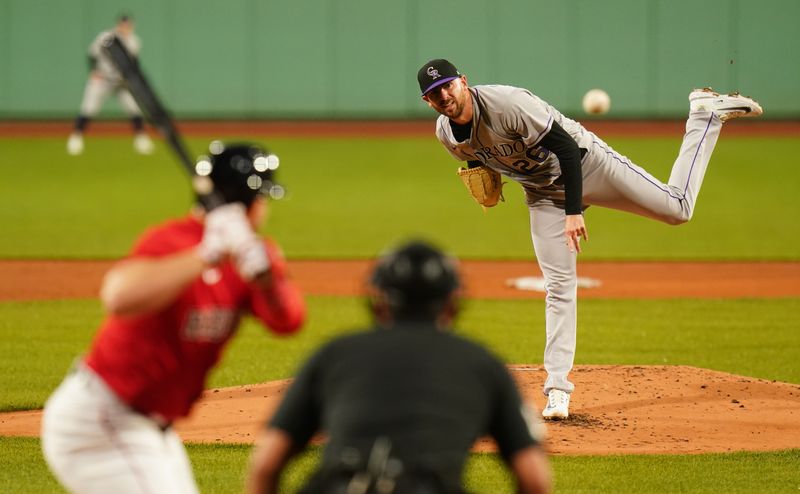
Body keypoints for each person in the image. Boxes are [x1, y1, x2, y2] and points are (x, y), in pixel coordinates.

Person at [416, 59, 763, 420]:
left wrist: (573, 212)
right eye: (434, 93)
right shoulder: (445, 135)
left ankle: (703, 117)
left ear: (463, 82)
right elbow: (481, 161)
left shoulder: (508, 104)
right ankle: (557, 391)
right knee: (559, 286)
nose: (444, 95)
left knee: (677, 209)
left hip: (588, 165)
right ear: (428, 102)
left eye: (447, 86)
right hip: (543, 194)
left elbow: (565, 147)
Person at [41, 142, 306, 493]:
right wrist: (205, 254)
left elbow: (288, 322)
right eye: (264, 198)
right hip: (101, 420)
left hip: (152, 427)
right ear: (250, 200)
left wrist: (268, 281)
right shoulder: (174, 241)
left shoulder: (251, 254)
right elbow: (118, 296)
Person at [246, 240, 552, 494]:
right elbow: (534, 479)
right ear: (452, 304)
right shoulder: (482, 363)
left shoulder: (335, 353)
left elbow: (265, 465)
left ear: (378, 301)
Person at [67, 14, 154, 156]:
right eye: (123, 25)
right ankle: (76, 138)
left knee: (134, 108)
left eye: (128, 25)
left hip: (121, 81)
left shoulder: (134, 41)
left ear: (132, 26)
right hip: (102, 79)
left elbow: (135, 63)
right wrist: (94, 70)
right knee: (89, 108)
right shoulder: (106, 37)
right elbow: (92, 54)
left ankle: (141, 139)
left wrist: (132, 78)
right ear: (118, 25)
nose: (125, 27)